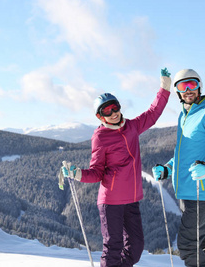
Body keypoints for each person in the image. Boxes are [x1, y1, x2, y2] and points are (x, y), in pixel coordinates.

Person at [61, 68, 171, 267]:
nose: (112, 113)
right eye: (106, 111)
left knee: (135, 249)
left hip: (132, 199)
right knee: (113, 248)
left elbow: (153, 114)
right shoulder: (100, 137)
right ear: (100, 116)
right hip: (110, 201)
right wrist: (77, 173)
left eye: (114, 107)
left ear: (119, 107)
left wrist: (164, 88)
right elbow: (96, 172)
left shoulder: (132, 126)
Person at [152, 69, 205, 267]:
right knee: (204, 242)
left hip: (202, 191)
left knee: (188, 244)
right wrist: (168, 169)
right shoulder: (185, 117)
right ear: (178, 92)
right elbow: (184, 155)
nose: (188, 90)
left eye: (192, 84)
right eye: (183, 86)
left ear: (199, 87)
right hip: (188, 191)